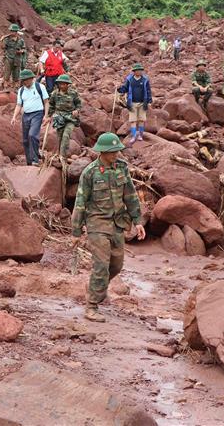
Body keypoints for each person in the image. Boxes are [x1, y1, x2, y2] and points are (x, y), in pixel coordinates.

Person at [71, 132, 145, 322]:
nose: (116, 155)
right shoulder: (90, 172)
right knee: (101, 265)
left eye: (117, 151)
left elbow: (130, 195)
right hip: (97, 224)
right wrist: (76, 231)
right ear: (102, 152)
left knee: (116, 265)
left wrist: (138, 221)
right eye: (112, 152)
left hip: (118, 224)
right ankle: (91, 306)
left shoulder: (122, 168)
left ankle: (97, 287)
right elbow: (80, 202)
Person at [10, 69, 48, 166]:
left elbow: (46, 102)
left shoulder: (40, 87)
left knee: (32, 135)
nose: (25, 82)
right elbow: (19, 105)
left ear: (32, 79)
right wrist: (14, 117)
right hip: (26, 115)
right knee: (25, 140)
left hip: (37, 114)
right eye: (23, 80)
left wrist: (46, 115)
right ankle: (29, 162)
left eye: (27, 79)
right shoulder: (21, 90)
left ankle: (35, 160)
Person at [117, 63, 152, 145]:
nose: (140, 72)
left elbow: (148, 90)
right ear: (134, 72)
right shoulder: (130, 80)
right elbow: (125, 88)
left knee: (141, 120)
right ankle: (133, 136)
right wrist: (119, 89)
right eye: (138, 70)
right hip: (132, 103)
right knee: (133, 120)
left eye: (141, 70)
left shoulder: (145, 80)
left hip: (142, 103)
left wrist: (149, 101)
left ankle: (140, 135)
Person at [48, 74, 82, 159]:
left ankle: (62, 156)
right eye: (60, 84)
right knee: (59, 135)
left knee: (66, 135)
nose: (62, 85)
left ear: (68, 84)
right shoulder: (55, 93)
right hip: (59, 117)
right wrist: (50, 115)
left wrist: (77, 110)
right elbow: (51, 105)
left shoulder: (73, 93)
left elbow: (78, 104)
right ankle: (58, 153)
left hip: (70, 117)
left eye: (64, 84)